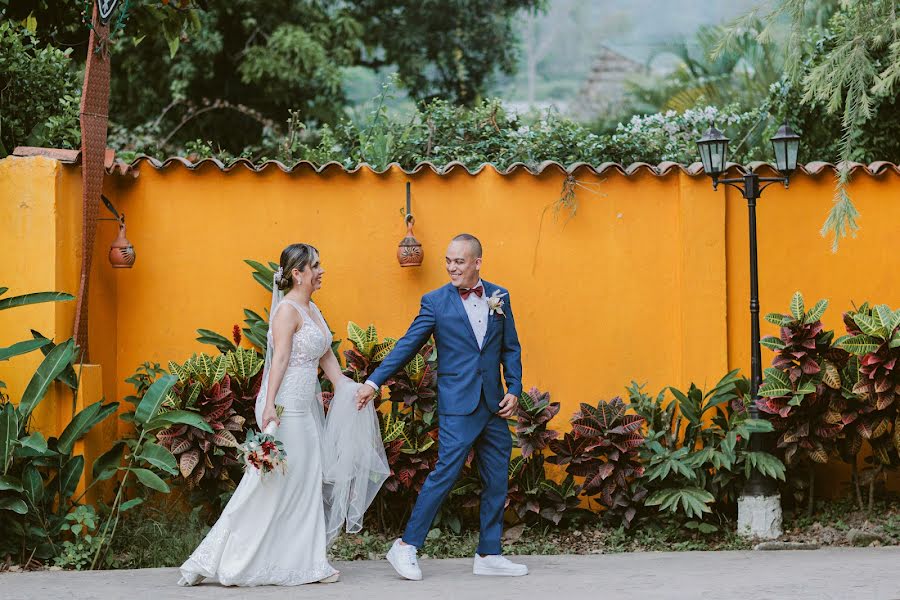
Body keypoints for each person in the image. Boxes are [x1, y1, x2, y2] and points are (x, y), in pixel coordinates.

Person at [178, 243, 387, 587]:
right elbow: (280, 360)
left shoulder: (313, 310)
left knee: (305, 481)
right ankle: (216, 557)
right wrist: (269, 404)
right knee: (268, 483)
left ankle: (308, 561)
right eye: (315, 266)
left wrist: (350, 389)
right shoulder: (287, 312)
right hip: (287, 408)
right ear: (297, 273)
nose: (321, 271)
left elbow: (328, 362)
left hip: (307, 408)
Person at [355, 233, 528, 580]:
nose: (451, 267)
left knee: (497, 479)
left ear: (477, 263)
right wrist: (374, 382)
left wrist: (515, 388)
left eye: (459, 261)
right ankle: (405, 546)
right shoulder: (434, 302)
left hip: (494, 405)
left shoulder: (500, 296)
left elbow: (510, 347)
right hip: (458, 405)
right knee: (444, 475)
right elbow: (407, 345)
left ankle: (489, 553)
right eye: (448, 261)